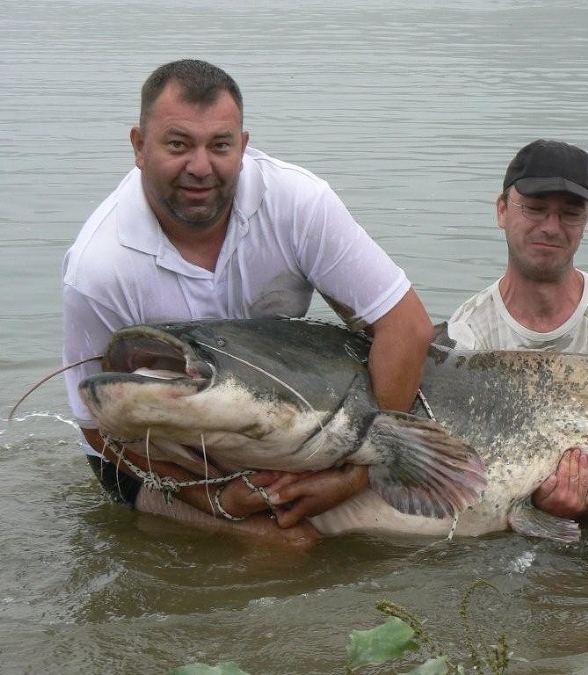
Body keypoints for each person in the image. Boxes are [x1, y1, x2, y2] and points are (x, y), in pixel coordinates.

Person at [62, 59, 434, 542]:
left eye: (220, 145)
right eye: (178, 144)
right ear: (138, 146)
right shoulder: (98, 266)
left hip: (267, 434)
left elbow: (406, 328)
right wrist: (213, 497)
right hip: (156, 457)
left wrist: (356, 473)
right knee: (285, 545)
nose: (200, 167)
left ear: (244, 145)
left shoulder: (298, 203)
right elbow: (95, 425)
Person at [447, 139, 588, 535]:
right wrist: (538, 503)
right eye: (534, 209)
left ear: (586, 222)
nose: (551, 227)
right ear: (502, 210)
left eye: (570, 214)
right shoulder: (466, 337)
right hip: (515, 523)